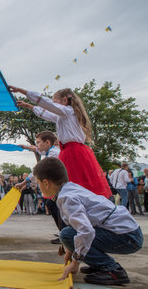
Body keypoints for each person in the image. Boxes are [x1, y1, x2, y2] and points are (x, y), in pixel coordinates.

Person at [33, 157, 143, 285]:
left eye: (38, 183)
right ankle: (99, 265)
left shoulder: (67, 198)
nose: (38, 187)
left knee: (66, 235)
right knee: (69, 234)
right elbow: (77, 226)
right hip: (129, 232)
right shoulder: (69, 188)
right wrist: (70, 250)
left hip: (128, 237)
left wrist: (75, 262)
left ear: (46, 183)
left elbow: (86, 231)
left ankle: (112, 270)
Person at [10, 86, 112, 198]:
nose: (53, 104)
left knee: (74, 184)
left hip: (74, 153)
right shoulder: (63, 116)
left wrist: (22, 91)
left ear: (64, 100)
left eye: (55, 101)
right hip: (69, 151)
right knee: (70, 185)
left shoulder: (68, 111)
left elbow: (46, 102)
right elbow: (46, 114)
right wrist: (29, 106)